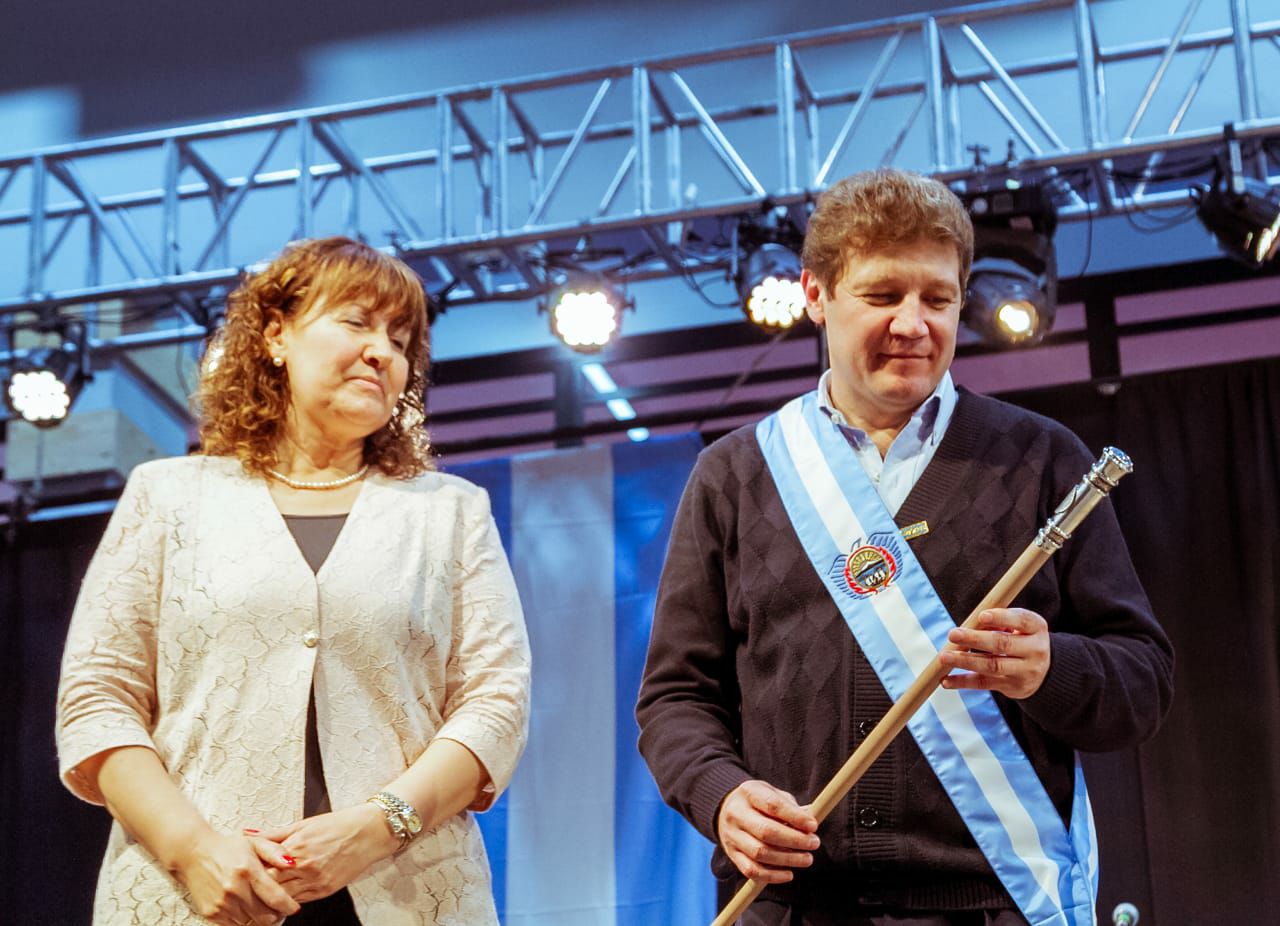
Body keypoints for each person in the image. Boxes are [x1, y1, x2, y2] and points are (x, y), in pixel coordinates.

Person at [635, 170, 1174, 925]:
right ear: (816, 293)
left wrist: (1054, 668)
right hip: (794, 910)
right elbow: (675, 699)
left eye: (938, 299)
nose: (914, 324)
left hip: (994, 907)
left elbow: (1143, 682)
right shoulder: (733, 476)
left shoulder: (1042, 459)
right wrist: (720, 796)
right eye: (883, 295)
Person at [56, 237, 531, 926]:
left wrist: (379, 825)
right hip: (194, 898)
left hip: (407, 895)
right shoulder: (167, 495)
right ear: (276, 335)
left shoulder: (450, 510)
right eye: (357, 322)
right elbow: (99, 697)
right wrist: (193, 851)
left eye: (400, 341)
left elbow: (496, 701)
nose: (382, 352)